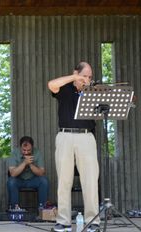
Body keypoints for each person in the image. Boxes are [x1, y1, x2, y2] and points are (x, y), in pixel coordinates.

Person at [48, 61, 100, 232]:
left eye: (89, 76)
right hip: (65, 136)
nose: (87, 79)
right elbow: (51, 85)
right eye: (84, 75)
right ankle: (63, 221)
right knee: (64, 180)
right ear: (76, 73)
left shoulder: (94, 90)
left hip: (87, 136)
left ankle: (93, 221)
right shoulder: (65, 88)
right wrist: (74, 78)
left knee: (90, 180)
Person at [7, 136, 49, 210]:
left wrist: (30, 164)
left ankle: (42, 209)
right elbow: (13, 174)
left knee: (44, 181)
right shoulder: (14, 153)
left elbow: (41, 173)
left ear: (32, 147)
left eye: (29, 150)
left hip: (33, 180)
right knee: (11, 182)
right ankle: (14, 209)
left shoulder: (37, 152)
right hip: (19, 180)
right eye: (24, 150)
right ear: (20, 147)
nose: (26, 152)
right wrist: (24, 163)